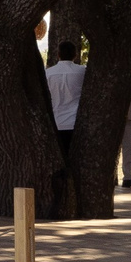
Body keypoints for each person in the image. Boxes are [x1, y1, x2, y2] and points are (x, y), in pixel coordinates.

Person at [45, 43, 85, 175]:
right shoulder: (82, 71)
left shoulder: (48, 73)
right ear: (75, 54)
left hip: (56, 122)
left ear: (58, 54)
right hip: (75, 122)